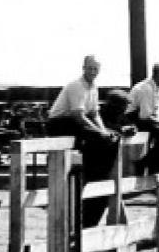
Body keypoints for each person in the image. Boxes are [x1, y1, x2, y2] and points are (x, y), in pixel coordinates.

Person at [46, 55, 119, 184]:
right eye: (89, 68)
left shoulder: (94, 87)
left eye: (95, 69)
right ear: (83, 68)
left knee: (113, 137)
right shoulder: (77, 85)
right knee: (99, 137)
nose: (92, 72)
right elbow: (78, 116)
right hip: (60, 123)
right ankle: (91, 178)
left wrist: (103, 131)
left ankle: (100, 178)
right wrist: (100, 133)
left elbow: (95, 114)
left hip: (74, 122)